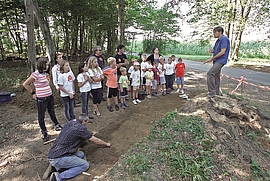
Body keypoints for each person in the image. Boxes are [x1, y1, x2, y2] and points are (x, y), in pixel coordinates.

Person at [48, 113, 111, 181]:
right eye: (87, 122)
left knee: (81, 154)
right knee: (85, 165)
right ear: (83, 121)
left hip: (55, 152)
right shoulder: (80, 129)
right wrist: (106, 144)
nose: (87, 123)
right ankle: (58, 177)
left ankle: (59, 167)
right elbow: (96, 140)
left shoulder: (70, 123)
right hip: (58, 158)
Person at [23, 57, 62, 142]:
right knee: (41, 116)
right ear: (41, 65)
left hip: (49, 96)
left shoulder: (46, 74)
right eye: (45, 65)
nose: (47, 66)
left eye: (48, 65)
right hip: (41, 98)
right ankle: (44, 132)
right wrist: (33, 93)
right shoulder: (35, 74)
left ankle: (57, 124)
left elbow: (47, 83)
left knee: (52, 111)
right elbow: (25, 84)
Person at [205, 26, 230, 97]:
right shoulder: (218, 40)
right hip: (216, 60)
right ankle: (216, 92)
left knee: (210, 73)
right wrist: (211, 50)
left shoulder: (224, 39)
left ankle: (212, 92)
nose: (213, 34)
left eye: (215, 32)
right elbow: (215, 50)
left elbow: (222, 52)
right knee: (216, 76)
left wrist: (212, 58)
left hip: (221, 60)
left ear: (220, 32)